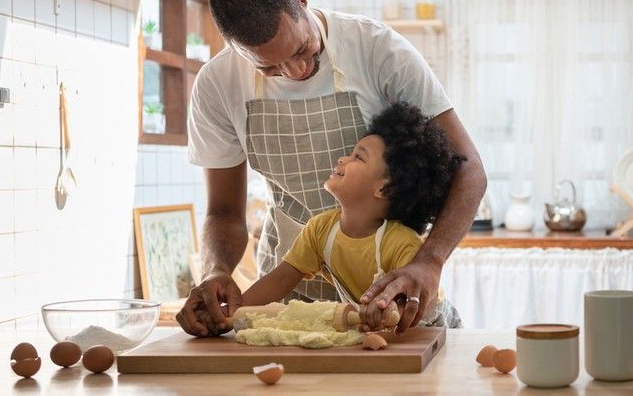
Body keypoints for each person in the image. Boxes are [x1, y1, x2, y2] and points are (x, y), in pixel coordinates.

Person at [177, 0, 486, 337]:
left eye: (303, 49)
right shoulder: (216, 85)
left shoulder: (376, 49)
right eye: (270, 68)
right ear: (236, 49)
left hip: (385, 299)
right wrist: (216, 274)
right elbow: (224, 212)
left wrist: (429, 261)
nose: (296, 70)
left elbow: (468, 168)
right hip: (288, 302)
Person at [192, 103, 465, 336]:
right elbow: (279, 280)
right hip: (384, 337)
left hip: (432, 331)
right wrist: (229, 316)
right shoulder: (320, 230)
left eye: (358, 156)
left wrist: (386, 309)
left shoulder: (400, 243)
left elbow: (409, 305)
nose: (343, 159)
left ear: (383, 188)